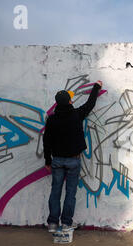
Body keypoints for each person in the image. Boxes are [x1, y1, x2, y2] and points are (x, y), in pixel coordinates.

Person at [43, 80, 103, 233]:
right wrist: (96, 87)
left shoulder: (51, 119)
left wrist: (47, 161)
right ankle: (66, 223)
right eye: (70, 99)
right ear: (68, 102)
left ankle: (52, 224)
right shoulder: (76, 115)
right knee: (71, 192)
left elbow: (47, 141)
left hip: (56, 160)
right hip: (73, 160)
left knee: (55, 191)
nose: (72, 100)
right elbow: (90, 104)